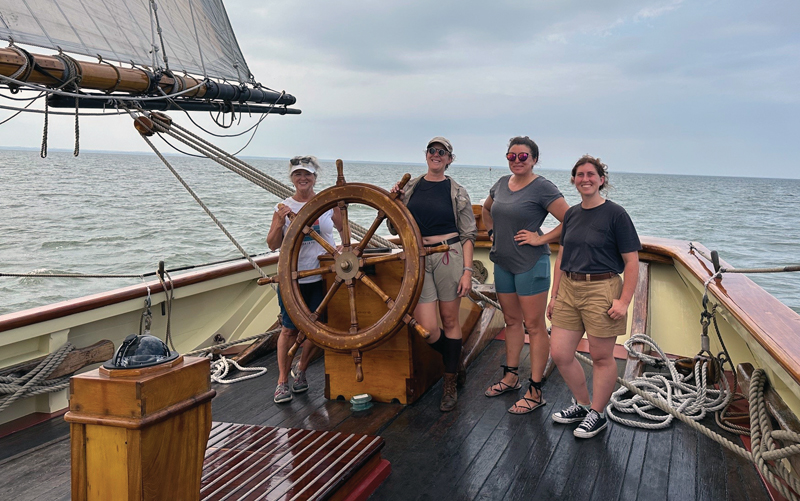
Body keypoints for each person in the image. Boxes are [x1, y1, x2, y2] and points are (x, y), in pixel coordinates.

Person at [548, 155, 641, 438]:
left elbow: (632, 261)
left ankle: (598, 414)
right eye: (580, 175)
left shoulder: (616, 215)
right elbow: (562, 255)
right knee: (561, 353)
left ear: (601, 180)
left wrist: (624, 301)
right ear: (574, 180)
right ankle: (582, 404)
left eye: (591, 174)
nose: (585, 179)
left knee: (601, 356)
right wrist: (554, 295)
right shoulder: (572, 214)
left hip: (602, 288)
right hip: (569, 288)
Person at [483, 136, 569, 414]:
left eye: (523, 156)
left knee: (534, 326)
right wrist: (492, 232)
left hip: (531, 264)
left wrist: (540, 239)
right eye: (512, 156)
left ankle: (535, 390)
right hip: (503, 262)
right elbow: (486, 209)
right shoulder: (500, 184)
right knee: (511, 321)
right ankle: (510, 377)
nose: (517, 161)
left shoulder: (542, 187)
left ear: (534, 159)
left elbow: (570, 220)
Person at [390, 137, 477, 411]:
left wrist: (467, 271)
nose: (436, 155)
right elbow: (395, 229)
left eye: (442, 152)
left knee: (450, 320)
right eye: (432, 151)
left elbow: (468, 235)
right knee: (426, 328)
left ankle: (449, 383)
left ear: (450, 159)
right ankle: (456, 358)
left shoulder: (458, 192)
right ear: (426, 155)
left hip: (449, 256)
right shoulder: (411, 188)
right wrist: (396, 203)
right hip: (419, 257)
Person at [267, 155, 342, 404]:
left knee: (316, 329)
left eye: (307, 174)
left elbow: (344, 231)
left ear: (314, 178)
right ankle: (281, 382)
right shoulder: (282, 208)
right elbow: (272, 245)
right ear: (292, 178)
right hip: (292, 277)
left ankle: (301, 370)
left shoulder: (328, 203)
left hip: (322, 276)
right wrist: (278, 224)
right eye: (298, 174)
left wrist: (344, 250)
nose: (303, 178)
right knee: (289, 329)